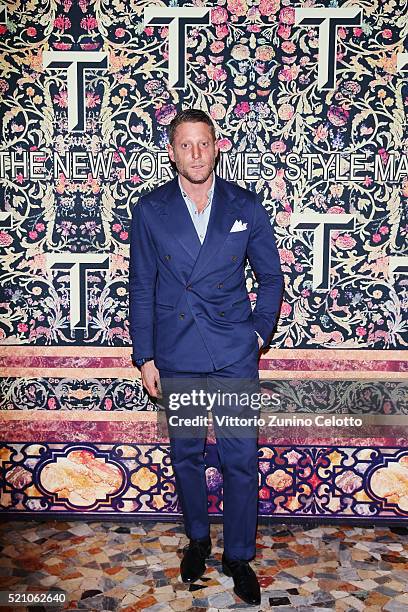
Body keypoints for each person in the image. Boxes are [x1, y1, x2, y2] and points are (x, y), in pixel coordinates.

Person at [129, 108, 283, 605]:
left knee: (240, 458)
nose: (196, 153)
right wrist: (146, 355)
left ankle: (238, 554)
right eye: (185, 145)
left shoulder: (246, 204)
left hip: (233, 353)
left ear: (217, 147)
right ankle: (198, 538)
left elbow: (271, 278)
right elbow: (143, 285)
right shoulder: (151, 210)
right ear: (172, 151)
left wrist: (258, 334)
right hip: (178, 353)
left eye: (204, 143)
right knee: (187, 455)